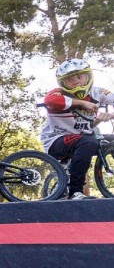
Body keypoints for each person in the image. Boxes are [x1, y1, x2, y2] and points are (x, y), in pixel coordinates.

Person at [40, 58, 114, 200]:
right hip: (56, 141)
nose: (76, 81)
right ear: (62, 83)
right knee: (89, 142)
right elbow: (49, 101)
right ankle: (75, 191)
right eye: (69, 79)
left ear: (88, 76)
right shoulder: (58, 93)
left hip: (82, 138)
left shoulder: (98, 92)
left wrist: (110, 115)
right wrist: (82, 103)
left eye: (79, 76)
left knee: (100, 140)